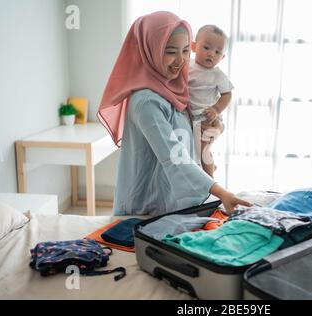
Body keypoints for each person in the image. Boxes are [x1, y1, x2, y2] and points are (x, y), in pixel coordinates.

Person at [97, 11, 251, 216]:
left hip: (170, 203)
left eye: (186, 50)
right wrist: (221, 192)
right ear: (148, 50)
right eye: (170, 51)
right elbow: (175, 156)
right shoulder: (146, 101)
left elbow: (186, 141)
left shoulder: (175, 90)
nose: (181, 61)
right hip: (146, 210)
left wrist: (214, 130)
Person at [188, 25, 232, 178]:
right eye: (206, 47)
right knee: (194, 152)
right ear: (193, 46)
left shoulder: (217, 75)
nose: (211, 54)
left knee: (204, 150)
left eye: (218, 52)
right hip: (192, 118)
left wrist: (216, 109)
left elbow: (227, 94)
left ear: (223, 57)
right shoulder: (187, 66)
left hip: (209, 118)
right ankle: (210, 168)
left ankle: (210, 183)